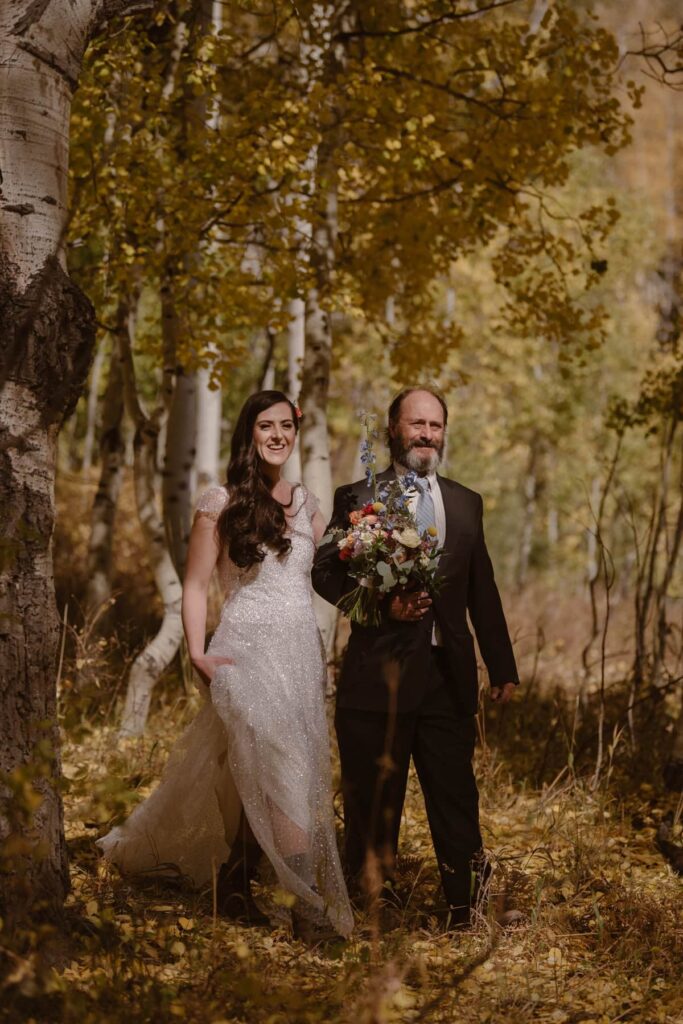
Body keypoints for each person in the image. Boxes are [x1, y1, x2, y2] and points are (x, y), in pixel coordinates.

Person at [98, 390, 353, 943]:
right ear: (249, 432)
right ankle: (307, 906)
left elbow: (329, 575)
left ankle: (234, 881)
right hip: (241, 652)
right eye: (267, 426)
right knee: (281, 764)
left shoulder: (308, 504)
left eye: (286, 425)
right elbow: (193, 585)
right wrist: (195, 651)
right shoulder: (219, 501)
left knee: (257, 768)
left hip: (299, 657)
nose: (278, 435)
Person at [312, 386, 518, 928]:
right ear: (393, 429)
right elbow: (325, 572)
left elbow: (483, 589)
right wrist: (381, 604)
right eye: (417, 423)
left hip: (447, 679)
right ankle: (372, 908)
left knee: (455, 797)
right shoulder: (357, 497)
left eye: (436, 425)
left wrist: (503, 667)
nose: (427, 434)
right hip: (376, 674)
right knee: (374, 801)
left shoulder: (466, 502)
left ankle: (466, 909)